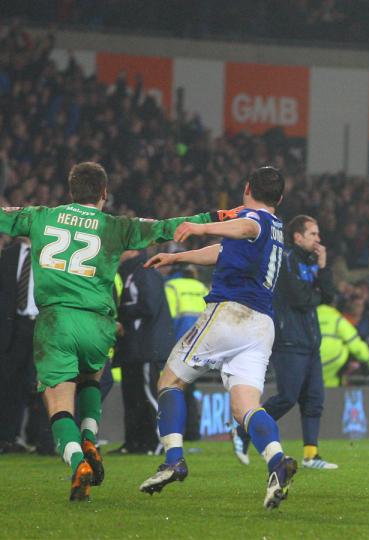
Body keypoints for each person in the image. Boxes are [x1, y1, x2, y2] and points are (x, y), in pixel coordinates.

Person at [0, 161, 223, 501]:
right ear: (104, 193)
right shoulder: (116, 226)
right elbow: (168, 227)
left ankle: (78, 461)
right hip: (99, 323)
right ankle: (90, 437)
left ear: (71, 190)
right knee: (91, 378)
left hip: (56, 321)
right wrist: (216, 218)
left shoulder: (39, 216)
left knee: (59, 402)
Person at [138, 166, 298, 510]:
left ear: (246, 188)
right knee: (245, 407)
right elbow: (223, 252)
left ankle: (174, 459)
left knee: (169, 381)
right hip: (260, 325)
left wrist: (198, 226)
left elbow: (246, 224)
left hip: (230, 313)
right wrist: (177, 258)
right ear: (280, 198)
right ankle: (277, 462)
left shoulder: (255, 219)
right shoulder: (275, 229)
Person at [251, 215, 337, 470]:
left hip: (309, 341)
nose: (318, 239)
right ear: (298, 237)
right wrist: (316, 295)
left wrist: (323, 268)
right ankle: (247, 428)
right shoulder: (287, 259)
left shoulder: (310, 262)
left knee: (314, 400)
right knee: (287, 397)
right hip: (289, 340)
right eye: (313, 234)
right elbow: (300, 298)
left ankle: (311, 455)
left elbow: (328, 296)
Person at [114, 249, 175, 454]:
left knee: (149, 396)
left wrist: (118, 311)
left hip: (147, 346)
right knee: (132, 398)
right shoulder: (129, 272)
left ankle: (160, 441)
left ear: (132, 250)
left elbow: (148, 305)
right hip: (132, 346)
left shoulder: (146, 271)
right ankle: (134, 443)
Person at [0, 238, 39, 454]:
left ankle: (42, 438)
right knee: (9, 384)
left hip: (42, 325)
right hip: (15, 327)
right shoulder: (9, 254)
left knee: (39, 384)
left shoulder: (48, 251)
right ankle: (8, 437)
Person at [318, 303, 369, 388]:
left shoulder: (307, 319)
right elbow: (356, 347)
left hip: (309, 373)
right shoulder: (338, 320)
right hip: (333, 378)